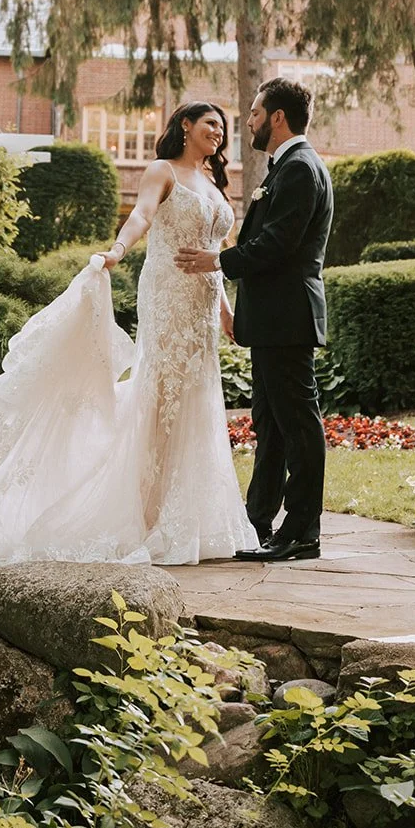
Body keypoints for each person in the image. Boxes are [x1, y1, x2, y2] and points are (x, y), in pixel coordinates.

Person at [0, 101, 258, 566]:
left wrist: (225, 311)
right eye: (210, 124)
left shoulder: (216, 184)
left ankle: (186, 517)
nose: (219, 133)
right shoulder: (164, 170)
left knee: (196, 398)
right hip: (167, 295)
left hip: (201, 308)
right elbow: (140, 215)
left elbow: (216, 252)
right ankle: (146, 512)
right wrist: (118, 249)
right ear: (186, 125)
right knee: (161, 396)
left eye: (223, 127)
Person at [176, 77, 333, 562]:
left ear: (277, 118)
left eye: (255, 113)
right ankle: (256, 523)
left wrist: (217, 261)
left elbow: (278, 245)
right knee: (271, 425)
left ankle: (303, 531)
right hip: (272, 320)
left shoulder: (301, 169)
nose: (248, 122)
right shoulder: (284, 167)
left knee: (299, 426)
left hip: (288, 319)